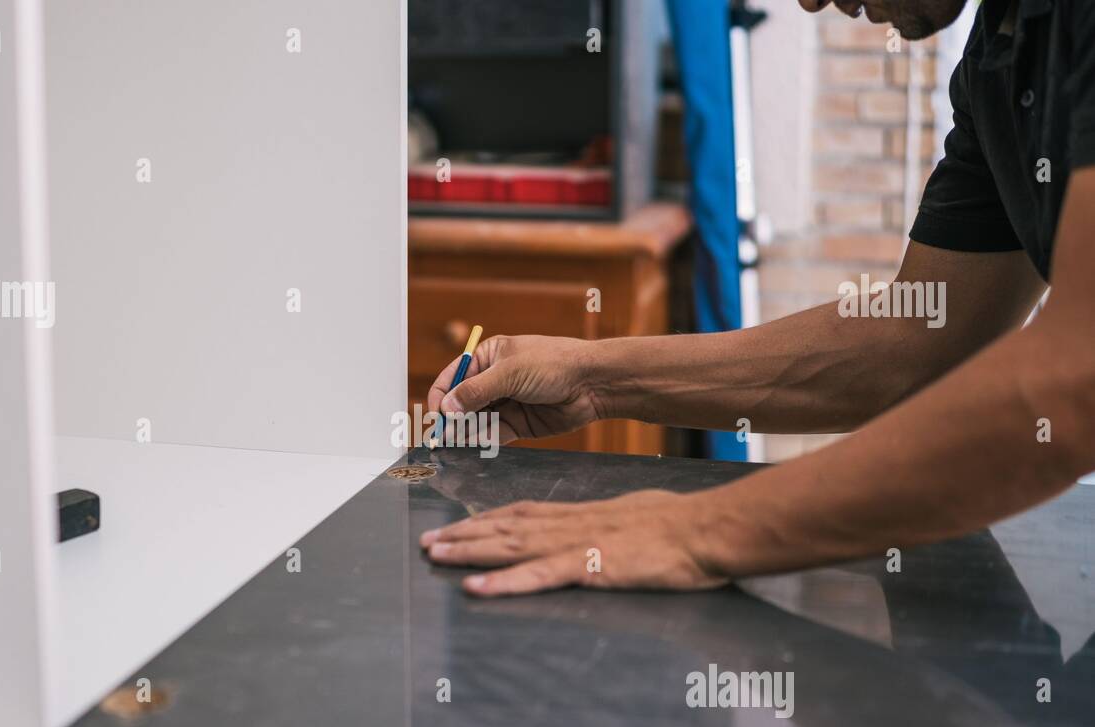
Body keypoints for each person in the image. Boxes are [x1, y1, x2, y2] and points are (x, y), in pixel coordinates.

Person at [420, 0, 1095, 597]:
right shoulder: (999, 56)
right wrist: (593, 378)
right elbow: (920, 340)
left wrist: (701, 529)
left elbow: (1077, 378)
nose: (808, 2)